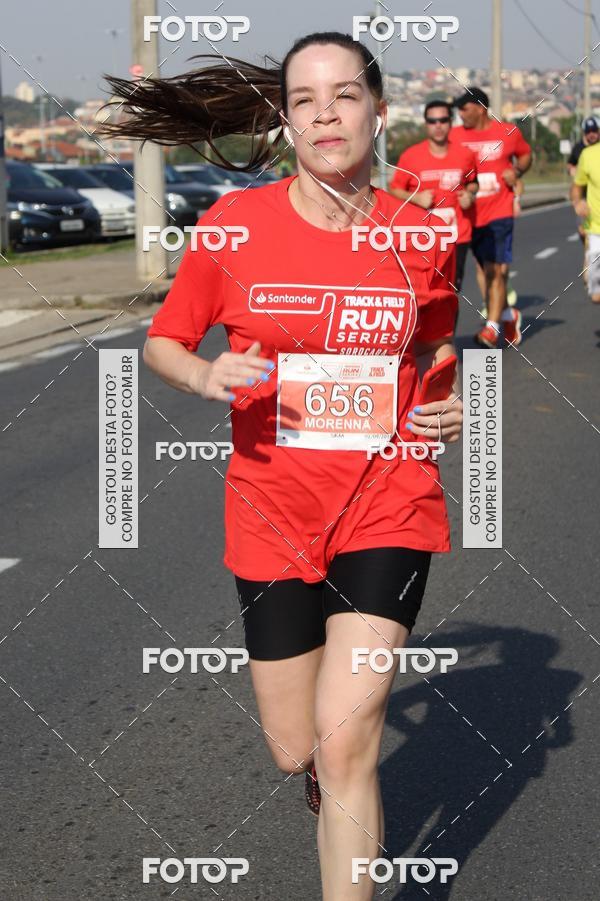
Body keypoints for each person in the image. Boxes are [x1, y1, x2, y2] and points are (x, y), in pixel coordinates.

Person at [102, 32, 463, 900]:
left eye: (345, 96)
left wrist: (449, 407)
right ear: (287, 121)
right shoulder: (235, 228)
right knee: (297, 745)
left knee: (347, 740)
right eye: (306, 101)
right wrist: (204, 374)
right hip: (271, 511)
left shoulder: (421, 234)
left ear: (379, 110)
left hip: (388, 500)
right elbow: (164, 342)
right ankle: (321, 777)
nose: (326, 115)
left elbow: (437, 342)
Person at [451, 87, 532, 348]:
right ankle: (507, 315)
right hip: (468, 213)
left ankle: (491, 327)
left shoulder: (507, 132)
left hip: (499, 210)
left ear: (481, 108)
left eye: (465, 108)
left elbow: (525, 155)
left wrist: (517, 171)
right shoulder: (454, 136)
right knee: (482, 269)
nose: (460, 114)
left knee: (495, 268)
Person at [388, 98, 479, 297]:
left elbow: (473, 182)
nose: (438, 125)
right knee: (423, 291)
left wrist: (470, 195)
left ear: (451, 122)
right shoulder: (411, 156)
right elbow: (394, 190)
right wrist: (416, 198)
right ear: (426, 124)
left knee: (450, 292)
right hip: (422, 237)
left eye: (443, 120)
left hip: (456, 235)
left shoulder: (465, 155)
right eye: (432, 121)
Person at [568, 117, 600, 285]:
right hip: (584, 199)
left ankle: (590, 263)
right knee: (583, 232)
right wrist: (574, 171)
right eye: (589, 132)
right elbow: (570, 165)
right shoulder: (579, 149)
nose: (592, 134)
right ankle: (589, 257)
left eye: (594, 131)